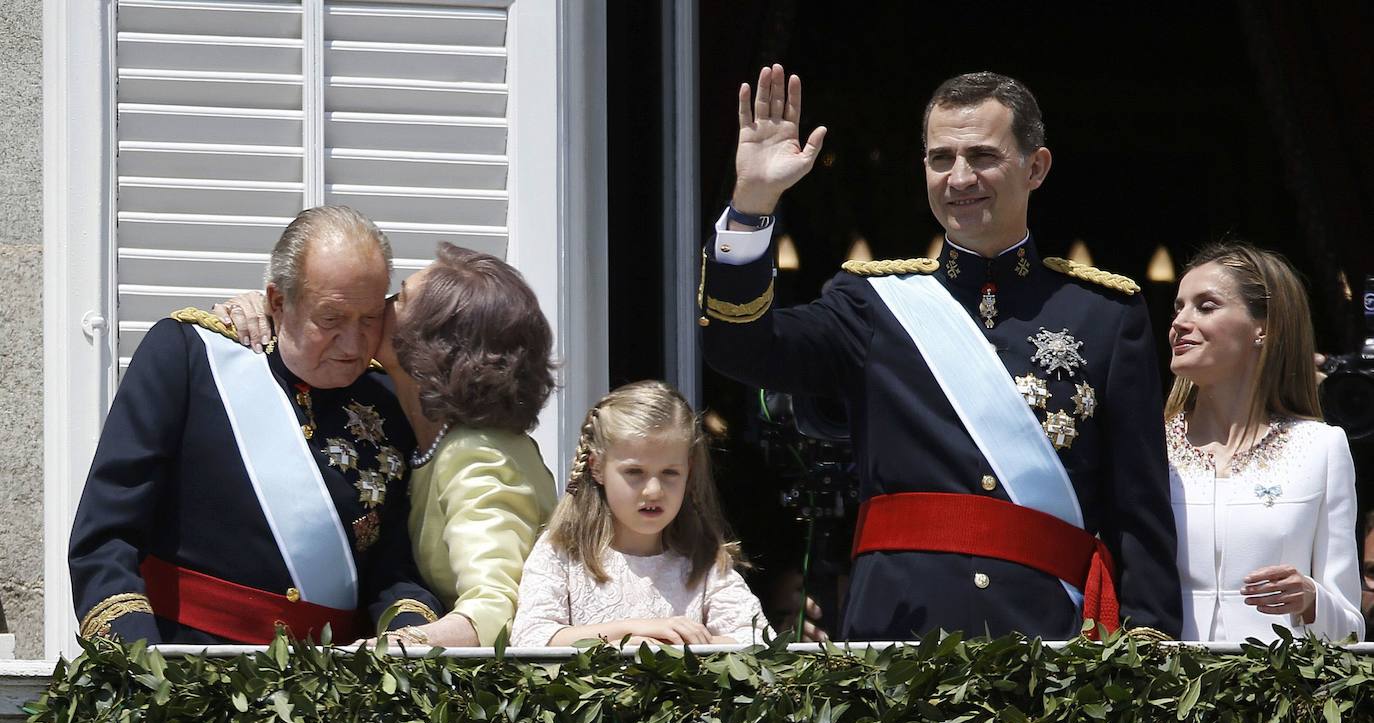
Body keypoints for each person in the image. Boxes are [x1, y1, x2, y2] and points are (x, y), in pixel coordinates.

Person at [697, 66, 1181, 641]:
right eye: (939, 158)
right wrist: (753, 203)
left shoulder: (1105, 315)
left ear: (1037, 167)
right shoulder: (869, 304)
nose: (959, 177)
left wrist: (1149, 660)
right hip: (899, 637)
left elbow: (1139, 513)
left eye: (982, 156)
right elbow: (739, 346)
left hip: (1049, 646)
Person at [69, 206, 443, 644]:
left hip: (335, 687)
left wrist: (410, 646)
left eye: (369, 319)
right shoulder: (191, 357)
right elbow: (107, 535)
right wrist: (139, 662)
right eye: (331, 319)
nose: (353, 342)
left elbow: (394, 568)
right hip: (187, 669)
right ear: (279, 303)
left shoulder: (386, 397)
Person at [217, 245, 559, 647]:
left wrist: (389, 650)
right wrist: (275, 310)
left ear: (436, 342)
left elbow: (496, 612)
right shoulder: (427, 435)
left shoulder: (478, 452)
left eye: (401, 298)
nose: (382, 305)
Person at [1166, 243, 1363, 642]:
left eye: (1205, 306)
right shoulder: (1146, 446)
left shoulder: (1320, 449)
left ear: (1264, 327)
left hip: (1278, 694)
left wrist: (1311, 600)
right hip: (1159, 689)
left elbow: (1349, 630)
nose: (1180, 322)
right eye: (1178, 307)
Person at [509, 381, 766, 647]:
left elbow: (758, 640)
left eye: (670, 473)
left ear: (688, 471)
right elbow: (530, 638)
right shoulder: (563, 551)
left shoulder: (702, 561)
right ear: (596, 468)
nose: (653, 491)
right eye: (635, 473)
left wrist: (683, 649)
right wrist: (629, 632)